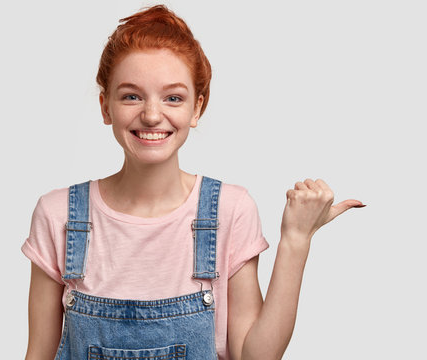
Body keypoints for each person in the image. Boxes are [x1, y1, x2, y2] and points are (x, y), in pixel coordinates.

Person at [22, 4, 363, 360]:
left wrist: (296, 239)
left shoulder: (230, 211)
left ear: (197, 108)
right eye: (131, 96)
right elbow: (38, 353)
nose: (152, 115)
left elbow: (255, 356)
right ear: (106, 107)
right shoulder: (59, 215)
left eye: (173, 98)